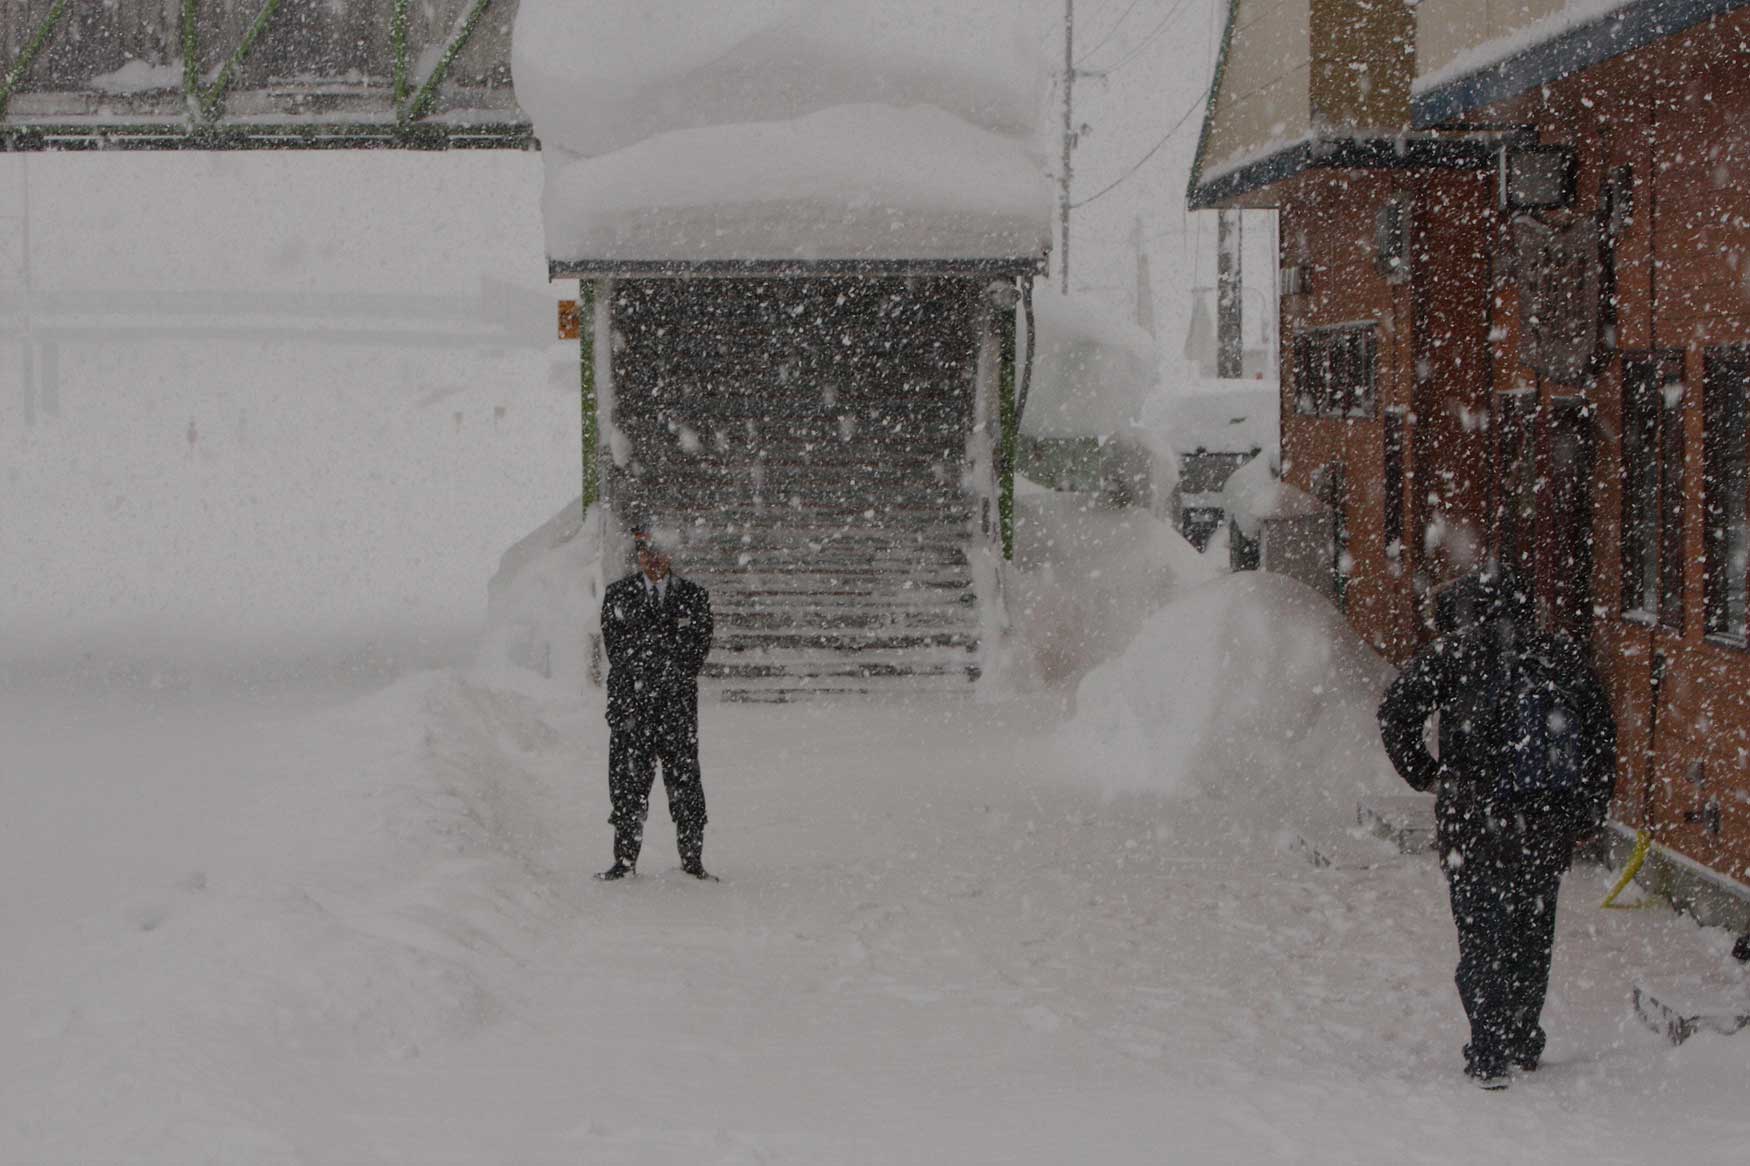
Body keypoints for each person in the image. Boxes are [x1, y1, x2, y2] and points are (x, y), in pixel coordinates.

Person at [1378, 566, 1616, 1089]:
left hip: (1473, 826)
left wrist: (1428, 774)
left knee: (1482, 935)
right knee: (1532, 934)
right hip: (1543, 826)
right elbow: (1601, 732)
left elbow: (1394, 712)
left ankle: (1487, 1048)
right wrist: (1587, 810)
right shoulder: (1559, 656)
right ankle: (1522, 1037)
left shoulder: (1453, 657)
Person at [596, 521, 715, 881]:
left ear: (670, 555)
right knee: (628, 784)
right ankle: (625, 860)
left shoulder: (693, 597)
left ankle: (692, 861)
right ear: (640, 556)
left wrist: (665, 669)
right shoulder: (618, 595)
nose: (654, 561)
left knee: (685, 785)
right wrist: (650, 667)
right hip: (631, 707)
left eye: (660, 554)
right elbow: (618, 650)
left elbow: (696, 648)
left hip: (676, 708)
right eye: (647, 554)